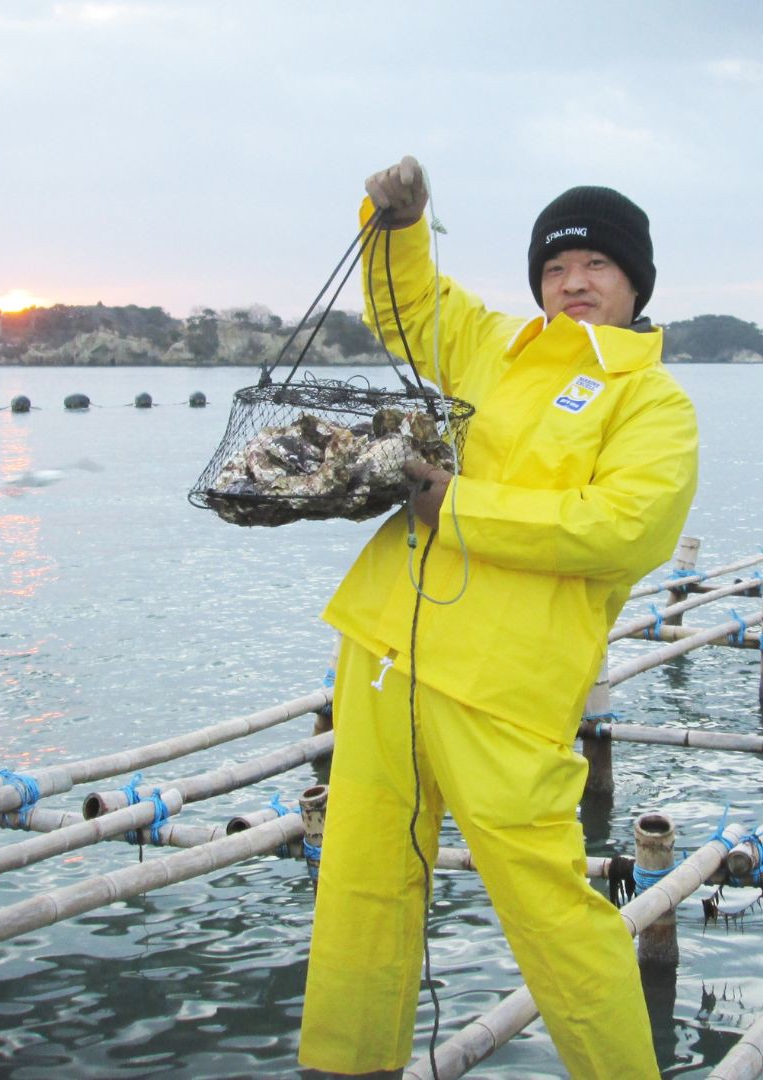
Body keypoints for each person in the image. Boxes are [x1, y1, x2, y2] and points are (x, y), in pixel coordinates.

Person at [299, 156, 698, 1078]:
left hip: (505, 687)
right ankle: (346, 1065)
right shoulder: (493, 348)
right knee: (363, 875)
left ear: (635, 281)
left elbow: (625, 528)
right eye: (557, 268)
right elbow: (411, 308)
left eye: (597, 264)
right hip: (384, 648)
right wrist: (395, 222)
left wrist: (463, 509)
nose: (574, 282)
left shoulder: (652, 402)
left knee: (549, 907)